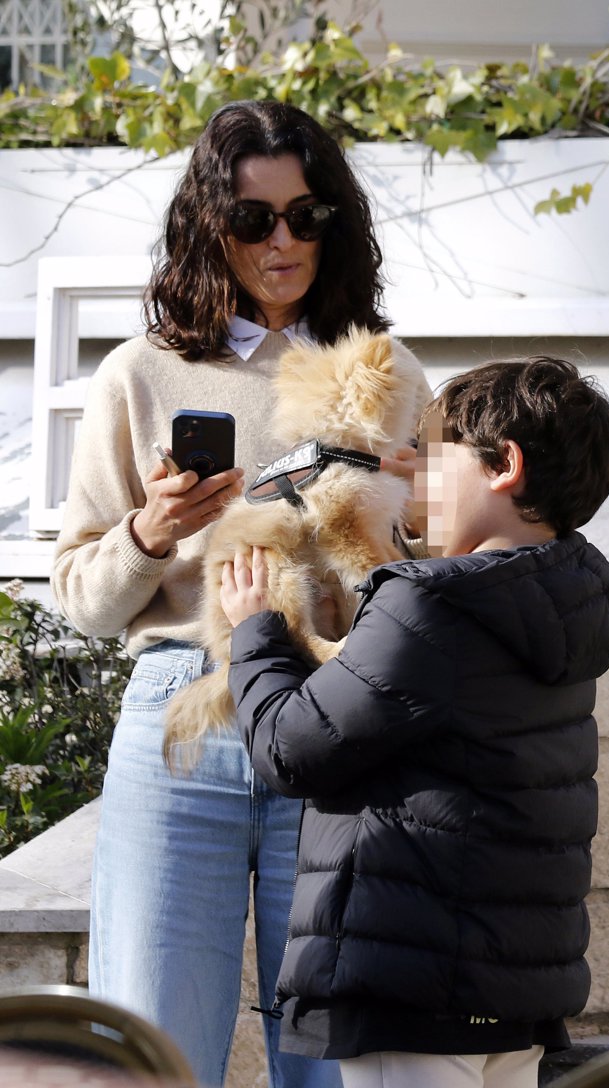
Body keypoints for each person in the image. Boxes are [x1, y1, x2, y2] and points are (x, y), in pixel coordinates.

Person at [50, 100, 431, 1088]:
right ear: (209, 221)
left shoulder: (382, 373)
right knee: (153, 1047)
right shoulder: (141, 373)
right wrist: (153, 531)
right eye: (256, 218)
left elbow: (425, 576)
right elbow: (84, 599)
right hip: (185, 717)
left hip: (334, 714)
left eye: (308, 217)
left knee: (332, 1055)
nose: (282, 242)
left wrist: (390, 528)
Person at [219, 356, 609, 1088]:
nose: (413, 480)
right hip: (511, 995)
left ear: (504, 466)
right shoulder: (571, 596)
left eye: (434, 459)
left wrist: (256, 632)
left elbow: (291, 749)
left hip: (409, 985)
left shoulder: (429, 605)